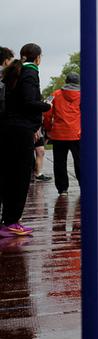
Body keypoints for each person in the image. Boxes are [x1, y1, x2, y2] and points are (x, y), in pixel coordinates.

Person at [1, 45, 48, 235]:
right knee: (20, 177)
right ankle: (11, 221)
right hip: (20, 130)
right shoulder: (29, 73)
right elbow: (29, 102)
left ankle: (9, 219)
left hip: (10, 128)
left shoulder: (14, 73)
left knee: (9, 175)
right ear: (37, 58)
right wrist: (47, 106)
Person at [43, 70, 82, 194]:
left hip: (59, 134)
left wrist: (48, 129)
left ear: (66, 81)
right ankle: (84, 185)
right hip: (77, 134)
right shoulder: (83, 95)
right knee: (80, 162)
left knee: (59, 162)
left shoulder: (55, 94)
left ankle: (62, 189)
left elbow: (47, 112)